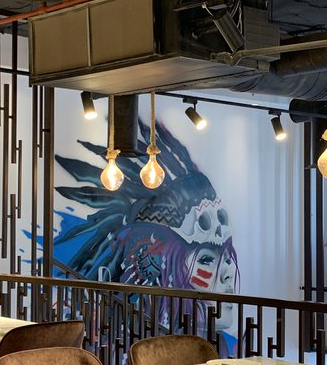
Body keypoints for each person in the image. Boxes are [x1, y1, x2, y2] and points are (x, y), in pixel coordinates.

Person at [55, 118, 239, 339]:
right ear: (152, 262)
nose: (229, 273)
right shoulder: (119, 341)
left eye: (227, 257)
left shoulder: (221, 345)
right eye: (207, 259)